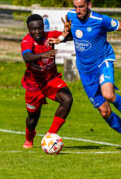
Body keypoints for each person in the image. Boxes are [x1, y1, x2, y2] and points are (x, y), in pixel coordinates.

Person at [50, 0, 121, 151]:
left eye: (81, 7)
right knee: (105, 112)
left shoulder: (100, 20)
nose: (78, 10)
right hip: (85, 71)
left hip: (103, 61)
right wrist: (61, 38)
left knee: (108, 94)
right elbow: (74, 36)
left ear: (89, 5)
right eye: (75, 7)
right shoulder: (71, 16)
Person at [21, 14, 73, 148]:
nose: (37, 32)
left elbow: (70, 38)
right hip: (34, 85)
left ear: (43, 27)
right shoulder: (26, 42)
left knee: (67, 99)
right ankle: (29, 139)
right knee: (33, 118)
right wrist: (42, 55)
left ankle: (50, 136)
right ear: (28, 29)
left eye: (40, 28)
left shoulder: (50, 35)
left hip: (51, 80)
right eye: (33, 29)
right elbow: (27, 57)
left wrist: (69, 31)